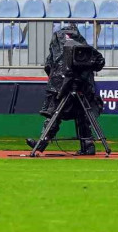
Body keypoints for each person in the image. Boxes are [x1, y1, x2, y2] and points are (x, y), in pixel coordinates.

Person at [27, 24, 105, 155]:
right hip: (80, 88)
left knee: (60, 113)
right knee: (79, 114)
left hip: (71, 88)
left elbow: (49, 67)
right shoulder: (85, 48)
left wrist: (60, 80)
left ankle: (42, 143)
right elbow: (99, 62)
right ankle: (88, 145)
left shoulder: (60, 47)